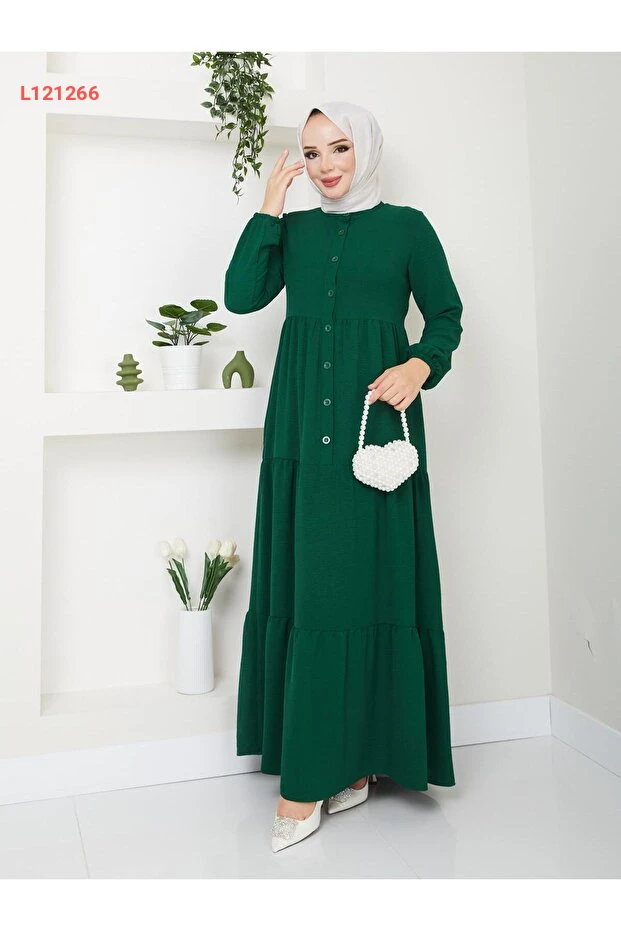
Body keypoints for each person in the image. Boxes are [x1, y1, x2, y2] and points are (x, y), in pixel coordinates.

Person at [223, 100, 464, 852]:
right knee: (315, 588)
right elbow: (239, 295)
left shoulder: (407, 227)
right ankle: (324, 771)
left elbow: (446, 315)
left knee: (366, 586)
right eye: (311, 153)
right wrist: (270, 204)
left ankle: (337, 770)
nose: (325, 165)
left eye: (339, 148)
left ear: (366, 149)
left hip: (375, 429)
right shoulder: (293, 230)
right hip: (302, 431)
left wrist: (420, 365)